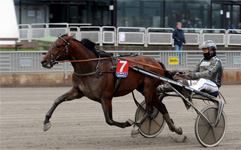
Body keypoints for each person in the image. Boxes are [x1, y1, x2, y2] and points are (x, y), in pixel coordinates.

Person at [157, 40, 223, 106]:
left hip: (213, 86)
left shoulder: (217, 61)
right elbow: (191, 71)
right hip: (200, 84)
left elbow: (209, 73)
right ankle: (158, 89)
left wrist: (194, 75)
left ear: (211, 50)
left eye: (205, 50)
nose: (203, 52)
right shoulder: (202, 60)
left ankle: (189, 92)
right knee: (180, 83)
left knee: (203, 81)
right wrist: (180, 73)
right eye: (203, 50)